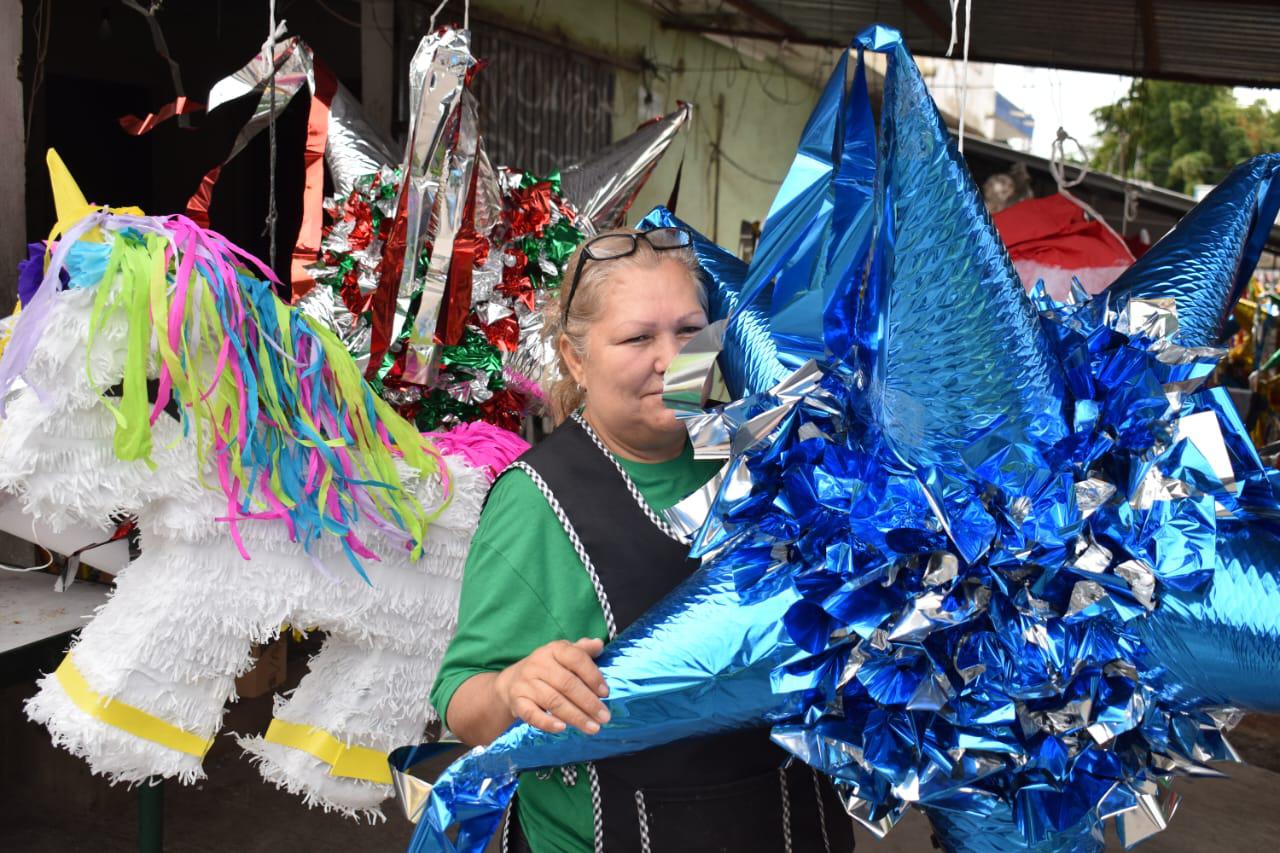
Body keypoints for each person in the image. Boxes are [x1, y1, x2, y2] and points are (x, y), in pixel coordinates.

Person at [430, 227, 855, 852]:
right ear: (576, 358)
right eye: (637, 338)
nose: (672, 359)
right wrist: (511, 687)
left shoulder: (767, 452)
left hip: (797, 827)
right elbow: (460, 698)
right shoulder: (539, 501)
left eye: (690, 331)